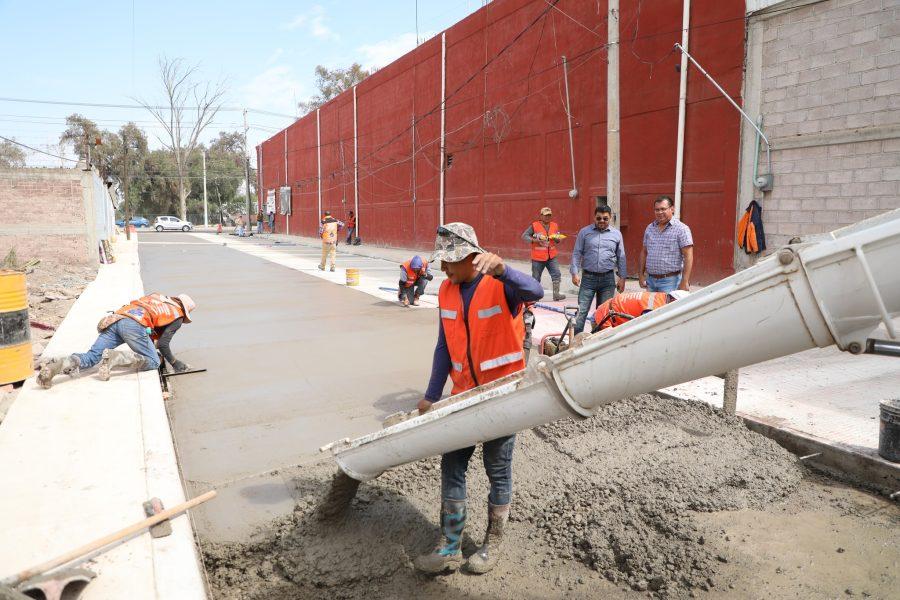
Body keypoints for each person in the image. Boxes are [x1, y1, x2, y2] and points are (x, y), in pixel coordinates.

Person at [414, 223, 544, 575]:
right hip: (462, 395)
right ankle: (450, 546)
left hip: (502, 396)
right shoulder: (445, 290)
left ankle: (493, 543)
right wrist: (430, 394)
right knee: (452, 463)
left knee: (497, 469)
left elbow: (537, 290)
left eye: (448, 262)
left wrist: (504, 270)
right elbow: (443, 346)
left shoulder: (501, 286)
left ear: (470, 258)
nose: (443, 268)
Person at [37, 293, 196, 389]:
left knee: (91, 357)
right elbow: (162, 344)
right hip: (134, 325)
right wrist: (175, 363)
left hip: (116, 319)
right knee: (154, 361)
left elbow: (149, 327)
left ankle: (54, 368)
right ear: (185, 310)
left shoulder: (158, 298)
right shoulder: (177, 315)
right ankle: (115, 358)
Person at [570, 205, 627, 333]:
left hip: (608, 280)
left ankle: (597, 339)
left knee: (604, 312)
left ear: (610, 218)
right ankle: (575, 341)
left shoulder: (616, 234)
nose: (602, 221)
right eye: (599, 218)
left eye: (605, 218)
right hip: (588, 279)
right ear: (594, 217)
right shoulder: (584, 232)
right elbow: (577, 253)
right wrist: (574, 272)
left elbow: (621, 257)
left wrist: (622, 278)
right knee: (581, 310)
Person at [639, 195, 694, 292]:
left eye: (663, 209)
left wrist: (685, 281)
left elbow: (688, 256)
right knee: (651, 307)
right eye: (657, 210)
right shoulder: (650, 228)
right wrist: (641, 275)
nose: (659, 212)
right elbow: (644, 252)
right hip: (650, 280)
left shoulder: (681, 229)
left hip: (671, 282)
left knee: (669, 307)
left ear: (672, 209)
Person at [591, 289, 690, 332]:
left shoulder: (661, 296)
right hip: (603, 319)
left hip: (606, 310)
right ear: (673, 300)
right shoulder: (655, 307)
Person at [522, 207, 566, 301]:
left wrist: (557, 239)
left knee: (556, 274)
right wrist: (535, 240)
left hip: (552, 255)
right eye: (545, 215)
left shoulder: (554, 225)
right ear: (541, 216)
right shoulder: (534, 225)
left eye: (549, 215)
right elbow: (524, 236)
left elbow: (557, 239)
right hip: (538, 257)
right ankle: (534, 296)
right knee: (536, 277)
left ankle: (556, 294)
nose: (547, 217)